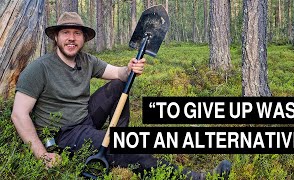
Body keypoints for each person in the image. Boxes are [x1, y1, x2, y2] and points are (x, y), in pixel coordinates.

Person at [11, 12, 231, 179]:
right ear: (56, 37)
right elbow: (19, 114)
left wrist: (130, 68)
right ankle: (196, 177)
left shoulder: (86, 60)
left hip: (85, 119)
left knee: (119, 84)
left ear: (83, 38)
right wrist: (41, 154)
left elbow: (117, 73)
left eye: (77, 33)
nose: (71, 38)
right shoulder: (40, 68)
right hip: (64, 134)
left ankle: (117, 137)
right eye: (66, 32)